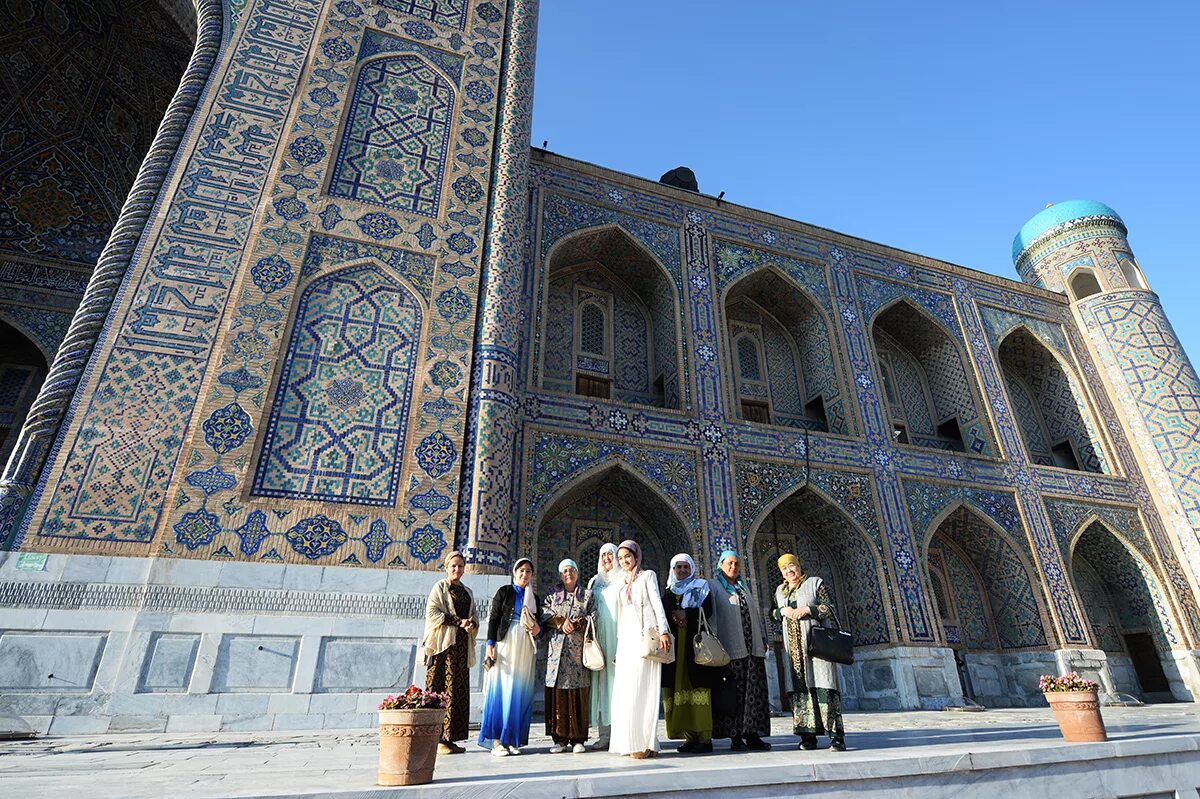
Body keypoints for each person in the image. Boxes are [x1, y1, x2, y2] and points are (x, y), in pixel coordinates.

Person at [773, 553, 846, 751]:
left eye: (792, 566)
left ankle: (836, 737)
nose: (789, 571)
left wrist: (809, 610)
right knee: (800, 691)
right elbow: (773, 612)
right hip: (794, 651)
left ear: (799, 566)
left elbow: (829, 608)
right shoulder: (780, 590)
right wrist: (781, 612)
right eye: (784, 569)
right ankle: (808, 737)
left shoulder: (815, 583)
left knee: (824, 688)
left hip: (817, 647)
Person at [608, 540, 671, 759]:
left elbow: (656, 603)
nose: (624, 561)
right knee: (628, 690)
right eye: (621, 558)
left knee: (645, 690)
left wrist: (663, 630)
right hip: (626, 640)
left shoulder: (647, 576)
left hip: (644, 637)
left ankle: (647, 742)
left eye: (628, 556)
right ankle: (633, 742)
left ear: (636, 556)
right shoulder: (620, 582)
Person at [707, 550, 772, 751]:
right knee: (734, 696)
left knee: (754, 694)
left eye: (736, 564)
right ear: (720, 565)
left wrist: (762, 638)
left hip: (752, 651)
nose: (733, 567)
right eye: (729, 564)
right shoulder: (714, 586)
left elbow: (754, 614)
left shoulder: (743, 587)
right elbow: (711, 615)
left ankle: (752, 735)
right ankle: (735, 737)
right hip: (730, 652)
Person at [479, 557, 542, 756]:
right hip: (505, 643)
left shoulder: (534, 598)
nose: (524, 575)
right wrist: (490, 644)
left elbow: (538, 625)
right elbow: (494, 619)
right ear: (515, 572)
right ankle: (497, 741)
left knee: (519, 692)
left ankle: (512, 739)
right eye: (521, 571)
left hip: (524, 646)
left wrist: (537, 629)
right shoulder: (504, 592)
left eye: (528, 572)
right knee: (503, 689)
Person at [421, 550, 479, 754]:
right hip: (443, 649)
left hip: (461, 648)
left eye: (461, 566)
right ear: (447, 567)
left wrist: (472, 624)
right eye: (453, 566)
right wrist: (457, 621)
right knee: (440, 689)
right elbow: (432, 613)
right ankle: (435, 737)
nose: (457, 569)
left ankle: (451, 737)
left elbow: (474, 615)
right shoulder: (440, 587)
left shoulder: (467, 592)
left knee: (457, 692)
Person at [661, 553, 719, 754]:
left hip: (695, 645)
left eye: (686, 567)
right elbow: (663, 614)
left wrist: (688, 615)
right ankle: (689, 737)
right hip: (676, 648)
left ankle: (704, 738)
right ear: (673, 569)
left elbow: (708, 610)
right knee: (678, 688)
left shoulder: (701, 587)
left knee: (698, 688)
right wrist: (676, 619)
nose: (682, 570)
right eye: (679, 567)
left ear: (692, 569)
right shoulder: (669, 592)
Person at [542, 558, 595, 753]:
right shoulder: (552, 596)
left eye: (572, 570)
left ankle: (579, 739)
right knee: (559, 695)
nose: (568, 574)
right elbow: (544, 613)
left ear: (578, 573)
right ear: (560, 575)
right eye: (565, 571)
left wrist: (579, 623)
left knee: (578, 694)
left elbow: (594, 616)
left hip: (577, 653)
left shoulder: (587, 595)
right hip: (557, 653)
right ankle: (560, 740)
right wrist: (560, 621)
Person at [586, 542, 622, 749]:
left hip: (618, 637)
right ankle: (604, 735)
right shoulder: (594, 581)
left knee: (617, 685)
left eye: (611, 555)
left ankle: (619, 733)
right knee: (601, 686)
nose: (607, 559)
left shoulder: (623, 579)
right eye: (604, 556)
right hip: (599, 640)